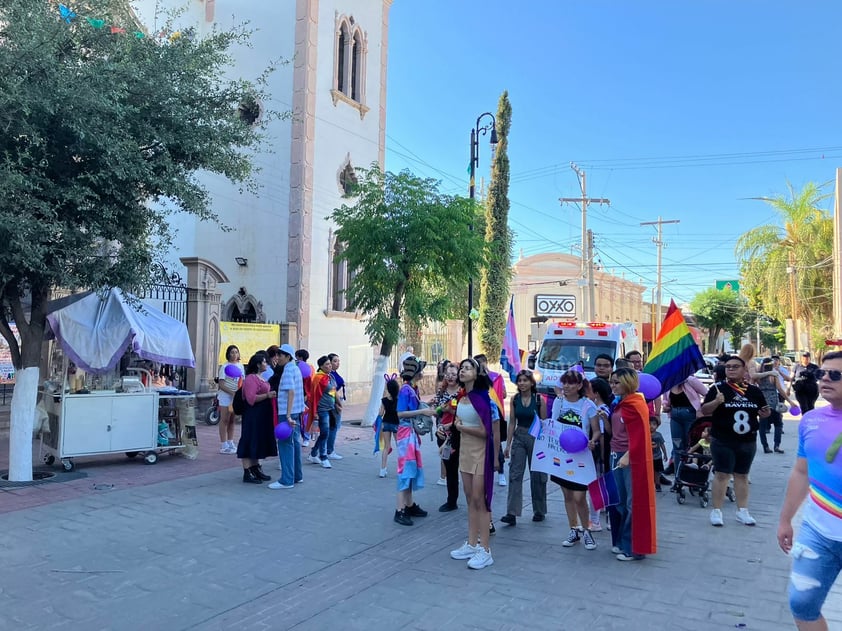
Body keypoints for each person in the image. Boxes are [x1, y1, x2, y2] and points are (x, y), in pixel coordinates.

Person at [777, 351, 842, 631]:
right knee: (802, 604)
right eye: (821, 373)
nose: (825, 378)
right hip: (818, 532)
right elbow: (801, 472)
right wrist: (785, 520)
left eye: (835, 375)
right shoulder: (811, 420)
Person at [701, 355, 770, 527]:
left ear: (744, 370)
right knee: (722, 475)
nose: (731, 369)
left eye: (735, 366)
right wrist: (716, 402)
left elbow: (764, 410)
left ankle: (743, 511)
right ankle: (717, 511)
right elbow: (704, 410)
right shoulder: (717, 388)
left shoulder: (754, 391)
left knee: (742, 475)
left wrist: (766, 414)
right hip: (723, 439)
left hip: (747, 440)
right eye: (728, 367)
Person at [449, 358, 500, 570]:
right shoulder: (462, 399)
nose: (462, 371)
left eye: (467, 368)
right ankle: (471, 543)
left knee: (481, 499)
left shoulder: (483, 400)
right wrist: (451, 429)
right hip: (465, 453)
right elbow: (458, 424)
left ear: (477, 373)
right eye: (461, 368)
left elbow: (485, 432)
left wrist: (461, 428)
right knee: (470, 498)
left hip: (481, 452)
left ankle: (485, 549)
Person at [608, 367, 657, 561]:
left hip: (630, 458)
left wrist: (627, 455)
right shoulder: (621, 403)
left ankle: (633, 548)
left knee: (632, 503)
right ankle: (621, 542)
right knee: (619, 502)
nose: (612, 385)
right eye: (611, 382)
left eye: (616, 382)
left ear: (628, 382)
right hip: (616, 454)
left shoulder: (635, 404)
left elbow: (640, 435)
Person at [551, 370, 601, 551]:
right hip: (562, 455)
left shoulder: (588, 405)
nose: (566, 386)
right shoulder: (559, 402)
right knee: (567, 495)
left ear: (580, 386)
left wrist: (592, 441)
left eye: (571, 383)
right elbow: (553, 424)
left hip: (582, 456)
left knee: (580, 496)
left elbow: (596, 430)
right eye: (564, 382)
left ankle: (587, 530)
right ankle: (574, 529)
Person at [501, 369, 548, 525]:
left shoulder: (539, 399)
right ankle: (512, 512)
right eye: (519, 381)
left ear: (532, 382)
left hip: (536, 437)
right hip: (520, 436)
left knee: (537, 475)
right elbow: (512, 422)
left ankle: (539, 510)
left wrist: (544, 445)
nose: (522, 383)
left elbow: (544, 423)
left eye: (525, 380)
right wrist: (508, 444)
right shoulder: (515, 399)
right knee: (515, 474)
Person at [393, 356, 436, 526]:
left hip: (409, 434)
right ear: (415, 373)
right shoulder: (405, 390)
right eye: (420, 370)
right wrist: (423, 412)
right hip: (406, 434)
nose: (423, 372)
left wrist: (424, 406)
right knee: (405, 471)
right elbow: (400, 413)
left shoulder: (411, 388)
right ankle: (400, 509)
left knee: (411, 470)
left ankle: (409, 505)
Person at [237, 353, 278, 484]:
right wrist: (267, 395)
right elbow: (251, 399)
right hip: (253, 414)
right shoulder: (251, 378)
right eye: (264, 362)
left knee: (257, 440)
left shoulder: (261, 378)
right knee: (250, 439)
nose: (267, 364)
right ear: (258, 364)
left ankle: (256, 468)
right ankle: (247, 471)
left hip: (262, 415)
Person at [268, 344, 304, 490]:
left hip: (287, 412)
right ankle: (297, 475)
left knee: (285, 444)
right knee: (294, 443)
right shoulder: (295, 368)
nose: (278, 358)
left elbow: (291, 392)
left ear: (288, 357)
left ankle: (286, 480)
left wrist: (288, 415)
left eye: (280, 355)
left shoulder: (288, 370)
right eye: (277, 355)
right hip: (295, 411)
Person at [661, 374, 708, 475]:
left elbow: (707, 393)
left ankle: (693, 475)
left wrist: (700, 409)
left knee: (691, 445)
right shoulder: (669, 381)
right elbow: (665, 398)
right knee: (677, 446)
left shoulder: (690, 380)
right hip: (675, 416)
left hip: (690, 415)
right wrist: (665, 405)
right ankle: (678, 476)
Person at [474, 354, 508, 488]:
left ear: (485, 362)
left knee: (496, 442)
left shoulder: (496, 377)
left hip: (495, 412)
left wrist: (497, 392)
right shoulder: (476, 377)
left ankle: (501, 472)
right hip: (480, 412)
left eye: (481, 363)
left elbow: (504, 394)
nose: (480, 365)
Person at [432, 362, 461, 510]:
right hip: (442, 434)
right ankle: (451, 500)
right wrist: (439, 410)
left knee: (457, 466)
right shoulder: (442, 391)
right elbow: (436, 410)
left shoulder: (462, 392)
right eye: (447, 374)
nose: (450, 377)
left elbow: (461, 413)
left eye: (453, 374)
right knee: (449, 466)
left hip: (458, 432)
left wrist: (449, 410)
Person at [756, 357, 797, 454]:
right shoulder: (774, 376)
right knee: (778, 424)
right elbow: (780, 389)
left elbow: (751, 384)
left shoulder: (758, 376)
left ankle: (765, 446)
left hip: (762, 402)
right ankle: (777, 445)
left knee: (762, 425)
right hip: (773, 402)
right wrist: (790, 401)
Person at [588, 376, 613, 531]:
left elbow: (603, 435)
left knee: (596, 487)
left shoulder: (599, 410)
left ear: (595, 393)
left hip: (600, 455)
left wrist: (603, 458)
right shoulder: (607, 408)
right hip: (604, 455)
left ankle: (595, 521)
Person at [307, 356, 337, 469]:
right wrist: (315, 411)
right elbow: (313, 396)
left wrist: (336, 403)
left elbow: (332, 391)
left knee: (326, 432)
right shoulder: (318, 378)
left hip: (330, 408)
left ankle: (314, 453)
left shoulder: (329, 377)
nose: (329, 366)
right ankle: (323, 456)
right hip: (322, 410)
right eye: (327, 364)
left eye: (330, 364)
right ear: (321, 366)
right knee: (325, 433)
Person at [217, 345, 243, 455]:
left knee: (232, 419)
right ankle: (223, 444)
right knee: (224, 419)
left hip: (235, 397)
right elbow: (221, 384)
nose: (234, 354)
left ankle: (230, 441)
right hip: (225, 397)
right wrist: (231, 392)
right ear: (228, 354)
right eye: (232, 352)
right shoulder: (224, 367)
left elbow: (242, 380)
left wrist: (238, 393)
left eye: (236, 352)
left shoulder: (240, 366)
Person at [378, 376, 400, 478]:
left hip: (386, 423)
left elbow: (380, 413)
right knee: (399, 446)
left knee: (386, 447)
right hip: (396, 423)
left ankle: (382, 469)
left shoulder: (384, 400)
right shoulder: (399, 400)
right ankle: (402, 468)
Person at [326, 353, 345, 460]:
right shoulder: (330, 376)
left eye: (338, 361)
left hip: (337, 401)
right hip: (333, 403)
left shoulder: (333, 374)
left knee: (331, 427)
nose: (337, 363)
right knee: (333, 427)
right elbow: (331, 391)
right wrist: (337, 404)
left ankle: (325, 450)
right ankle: (330, 450)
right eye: (335, 361)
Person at [295, 349, 314, 447]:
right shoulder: (308, 367)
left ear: (300, 357)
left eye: (296, 357)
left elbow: (309, 385)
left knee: (304, 418)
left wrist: (306, 396)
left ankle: (306, 437)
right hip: (299, 396)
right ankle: (303, 437)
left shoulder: (305, 369)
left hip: (304, 397)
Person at [650, 416, 669, 491]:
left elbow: (662, 445)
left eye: (654, 424)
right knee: (649, 472)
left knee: (657, 472)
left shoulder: (658, 435)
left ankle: (658, 485)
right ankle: (650, 484)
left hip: (657, 457)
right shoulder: (645, 434)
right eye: (649, 424)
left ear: (657, 426)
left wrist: (665, 454)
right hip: (648, 457)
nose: (651, 426)